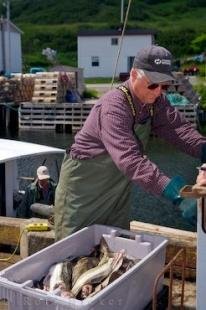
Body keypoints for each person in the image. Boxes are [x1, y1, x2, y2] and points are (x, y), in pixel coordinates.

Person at [54, 45, 206, 240]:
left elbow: (180, 131)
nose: (158, 91)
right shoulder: (113, 107)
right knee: (72, 249)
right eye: (153, 84)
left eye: (165, 85)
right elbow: (130, 160)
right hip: (83, 190)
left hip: (117, 188)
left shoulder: (157, 102)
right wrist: (179, 195)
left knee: (115, 245)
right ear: (134, 75)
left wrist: (204, 151)